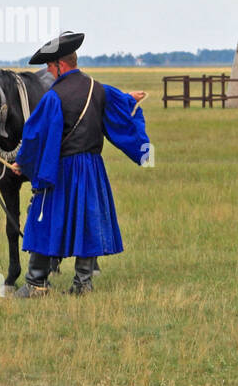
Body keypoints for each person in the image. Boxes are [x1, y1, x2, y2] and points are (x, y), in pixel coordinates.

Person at [10, 32, 151, 296]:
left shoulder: (53, 97)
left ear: (60, 65)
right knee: (86, 221)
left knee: (44, 219)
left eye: (49, 67)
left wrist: (23, 163)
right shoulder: (97, 89)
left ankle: (36, 283)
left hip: (60, 170)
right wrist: (130, 99)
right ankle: (83, 284)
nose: (48, 73)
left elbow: (33, 135)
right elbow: (120, 106)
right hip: (92, 169)